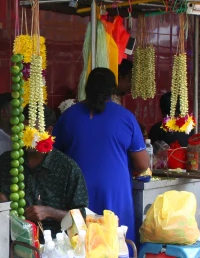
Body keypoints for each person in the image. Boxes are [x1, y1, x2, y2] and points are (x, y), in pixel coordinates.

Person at [53, 68, 150, 243]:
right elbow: (143, 164)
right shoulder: (125, 117)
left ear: (86, 88)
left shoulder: (68, 117)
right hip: (114, 192)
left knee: (80, 246)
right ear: (112, 90)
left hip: (78, 193)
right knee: (116, 245)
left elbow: (55, 157)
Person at [0, 104, 88, 234]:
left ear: (48, 131)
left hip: (52, 243)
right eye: (24, 131)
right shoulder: (6, 162)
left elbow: (82, 215)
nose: (27, 137)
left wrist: (50, 212)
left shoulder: (67, 169)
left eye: (33, 131)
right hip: (9, 239)